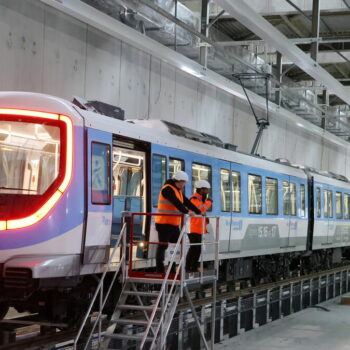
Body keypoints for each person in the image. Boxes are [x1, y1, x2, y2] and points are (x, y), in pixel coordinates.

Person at [155, 170, 201, 273]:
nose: (184, 185)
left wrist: (198, 211)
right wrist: (186, 212)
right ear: (179, 181)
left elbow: (186, 202)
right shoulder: (167, 189)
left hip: (173, 224)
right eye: (184, 182)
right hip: (164, 223)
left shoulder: (178, 190)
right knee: (163, 246)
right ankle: (160, 269)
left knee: (175, 247)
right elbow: (176, 202)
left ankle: (172, 268)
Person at [186, 180, 212, 273]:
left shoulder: (200, 199)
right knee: (195, 248)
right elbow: (200, 210)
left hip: (197, 228)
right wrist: (209, 203)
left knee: (195, 248)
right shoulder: (194, 199)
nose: (207, 192)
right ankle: (190, 267)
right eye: (206, 190)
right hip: (193, 228)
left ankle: (191, 267)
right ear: (201, 190)